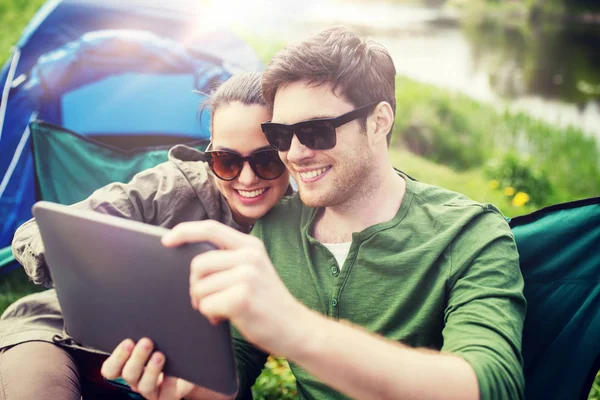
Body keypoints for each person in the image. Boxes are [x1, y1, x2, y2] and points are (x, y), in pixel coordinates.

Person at [102, 27, 526, 400]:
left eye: (316, 131)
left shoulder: (471, 233)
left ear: (379, 122)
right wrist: (185, 388)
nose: (296, 154)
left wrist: (298, 330)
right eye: (281, 135)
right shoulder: (275, 230)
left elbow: (492, 386)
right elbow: (234, 370)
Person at [0, 72, 290, 400]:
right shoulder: (168, 188)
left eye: (266, 159)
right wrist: (83, 259)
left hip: (184, 371)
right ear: (209, 153)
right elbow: (33, 233)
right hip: (57, 331)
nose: (247, 178)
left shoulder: (298, 230)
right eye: (226, 160)